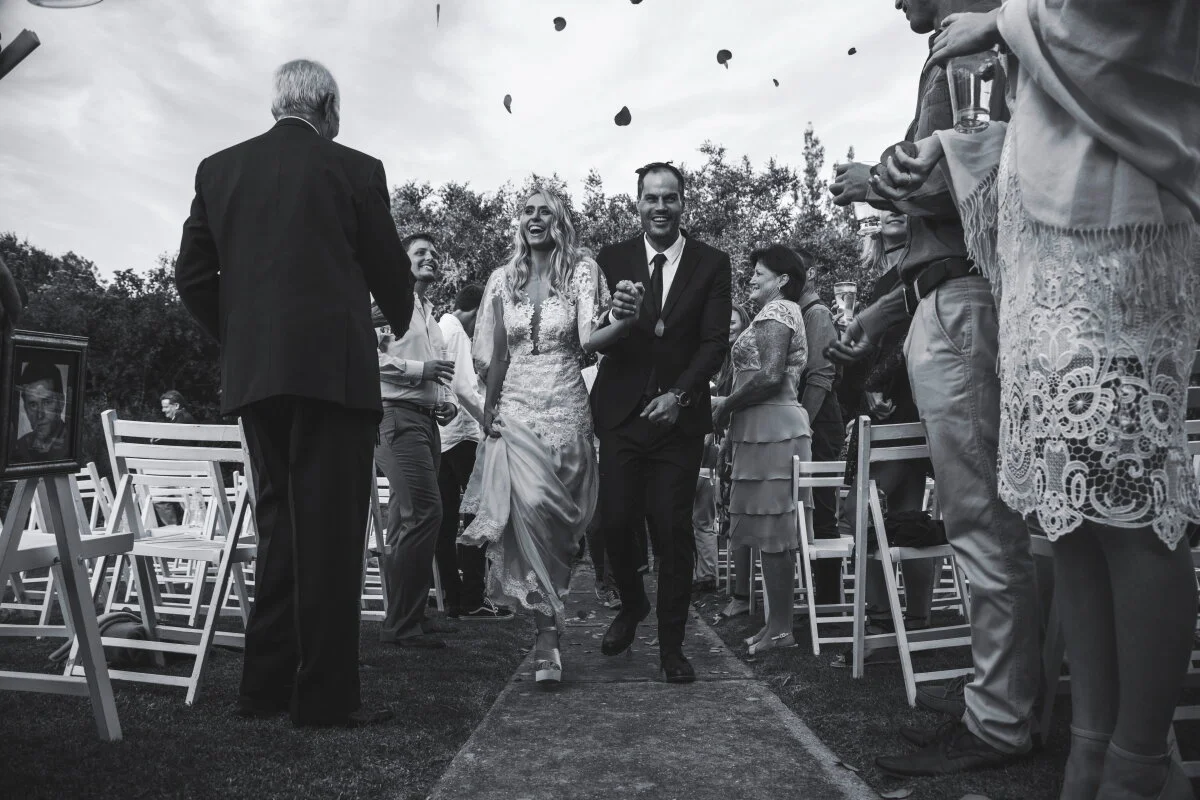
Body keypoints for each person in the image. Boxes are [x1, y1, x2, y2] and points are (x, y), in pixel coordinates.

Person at [883, 4, 1200, 796]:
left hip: (1112, 238)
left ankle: (1139, 761)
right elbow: (1039, 118)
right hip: (1038, 258)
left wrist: (1004, 21)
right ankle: (1091, 744)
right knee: (1070, 518)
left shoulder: (996, 22)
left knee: (1130, 510)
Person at [827, 0, 1041, 776]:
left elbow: (976, 181)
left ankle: (1001, 715)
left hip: (965, 308)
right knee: (991, 511)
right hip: (948, 299)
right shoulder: (983, 40)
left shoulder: (971, 49)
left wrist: (874, 182)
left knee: (979, 513)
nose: (894, 2)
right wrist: (887, 310)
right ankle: (1007, 692)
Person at [175, 59, 413, 728]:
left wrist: (246, 337)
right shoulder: (356, 168)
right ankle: (326, 699)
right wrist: (399, 314)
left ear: (278, 103)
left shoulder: (218, 169)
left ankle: (264, 689)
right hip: (333, 379)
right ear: (328, 106)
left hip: (257, 380)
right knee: (332, 537)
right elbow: (390, 270)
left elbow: (192, 275)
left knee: (278, 526)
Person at [461, 186, 635, 686]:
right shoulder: (502, 278)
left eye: (545, 211)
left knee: (561, 527)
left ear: (559, 220)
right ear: (519, 222)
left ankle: (552, 618)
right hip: (515, 410)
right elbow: (497, 356)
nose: (535, 219)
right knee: (531, 509)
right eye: (527, 211)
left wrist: (623, 322)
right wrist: (489, 409)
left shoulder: (582, 270)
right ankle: (547, 638)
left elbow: (587, 341)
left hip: (566, 407)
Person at [592, 162, 732, 684]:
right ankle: (632, 604)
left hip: (679, 418)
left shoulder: (712, 264)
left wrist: (680, 394)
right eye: (651, 198)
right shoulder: (612, 259)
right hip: (621, 414)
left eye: (669, 198)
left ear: (683, 203)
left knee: (671, 531)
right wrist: (612, 315)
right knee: (614, 520)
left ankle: (672, 646)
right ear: (638, 203)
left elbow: (714, 341)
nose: (659, 207)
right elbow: (596, 329)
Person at [829, 212, 939, 669]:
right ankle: (915, 623)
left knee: (861, 516)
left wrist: (874, 378)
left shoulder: (916, 273)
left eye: (902, 206)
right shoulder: (883, 279)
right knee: (909, 517)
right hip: (907, 410)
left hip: (903, 410)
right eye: (885, 208)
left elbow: (910, 337)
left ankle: (877, 627)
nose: (892, 212)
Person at [712, 245, 812, 654]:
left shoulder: (779, 311)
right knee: (769, 531)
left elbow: (770, 376)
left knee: (776, 532)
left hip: (774, 427)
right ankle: (776, 625)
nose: (751, 278)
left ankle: (782, 628)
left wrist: (723, 408)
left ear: (782, 279)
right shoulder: (773, 313)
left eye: (759, 272)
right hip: (760, 429)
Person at [373, 232, 460, 648]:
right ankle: (402, 626)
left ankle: (410, 614)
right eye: (420, 252)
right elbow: (366, 355)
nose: (431, 257)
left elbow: (438, 373)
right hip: (394, 419)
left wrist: (446, 403)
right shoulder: (384, 304)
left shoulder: (430, 314)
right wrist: (417, 371)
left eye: (435, 253)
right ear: (402, 261)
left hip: (427, 423)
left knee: (406, 520)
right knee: (425, 513)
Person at [437, 284, 512, 621]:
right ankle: (473, 596)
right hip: (464, 437)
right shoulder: (456, 333)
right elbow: (463, 387)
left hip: (444, 439)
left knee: (447, 518)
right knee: (477, 515)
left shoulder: (442, 328)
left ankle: (454, 596)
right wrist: (489, 418)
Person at [792, 249, 844, 604]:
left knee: (823, 511)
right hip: (810, 422)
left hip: (820, 424)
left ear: (809, 274)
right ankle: (814, 595)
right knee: (807, 511)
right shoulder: (798, 313)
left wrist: (803, 428)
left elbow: (821, 377)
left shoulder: (818, 313)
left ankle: (827, 600)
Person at [12, 360, 68, 463]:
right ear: (25, 408)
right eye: (33, 405)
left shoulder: (73, 446)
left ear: (61, 402)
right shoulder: (19, 447)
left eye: (47, 402)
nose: (40, 415)